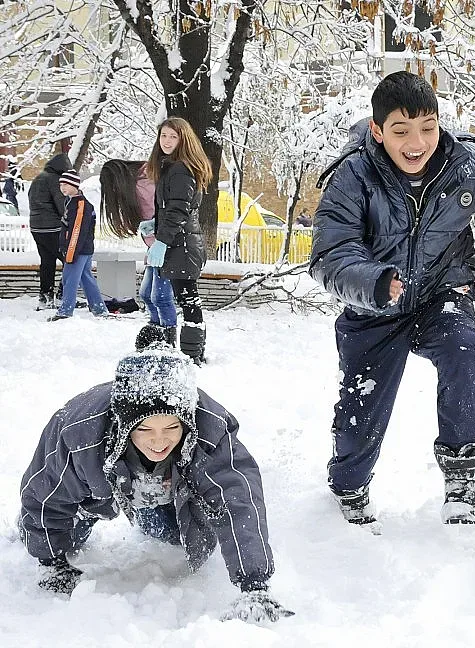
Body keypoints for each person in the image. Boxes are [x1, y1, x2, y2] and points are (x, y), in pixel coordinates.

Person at [310, 71, 475, 527]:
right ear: (377, 130)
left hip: (442, 292)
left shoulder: (470, 167)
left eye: (428, 127)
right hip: (375, 304)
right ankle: (349, 485)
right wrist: (373, 281)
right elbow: (330, 252)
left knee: (464, 350)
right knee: (363, 402)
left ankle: (463, 476)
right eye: (401, 131)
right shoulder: (354, 176)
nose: (417, 142)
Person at [18, 343, 293, 623]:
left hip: (172, 487)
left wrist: (254, 585)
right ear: (126, 426)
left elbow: (237, 499)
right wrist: (51, 561)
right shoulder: (80, 434)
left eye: (172, 428)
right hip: (97, 493)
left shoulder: (210, 431)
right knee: (61, 536)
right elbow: (45, 494)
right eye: (145, 429)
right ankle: (74, 523)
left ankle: (152, 506)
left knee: (182, 539)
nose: (159, 441)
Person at [145, 117, 212, 364]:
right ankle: (184, 352)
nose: (167, 141)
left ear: (183, 139)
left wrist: (161, 240)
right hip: (179, 241)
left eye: (173, 136)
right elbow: (171, 208)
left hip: (181, 244)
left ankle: (192, 356)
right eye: (164, 135)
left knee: (188, 300)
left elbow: (179, 210)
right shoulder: (171, 166)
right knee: (185, 299)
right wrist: (155, 223)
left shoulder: (180, 169)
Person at [100, 159, 178, 349]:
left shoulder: (144, 184)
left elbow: (164, 213)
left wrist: (154, 232)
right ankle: (156, 332)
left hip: (166, 246)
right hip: (155, 248)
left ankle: (168, 340)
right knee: (146, 294)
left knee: (161, 297)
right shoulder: (141, 181)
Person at [47, 171, 109, 321]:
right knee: (86, 278)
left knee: (69, 279)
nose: (63, 188)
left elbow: (77, 230)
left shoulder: (81, 204)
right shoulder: (71, 201)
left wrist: (71, 252)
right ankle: (99, 309)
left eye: (66, 184)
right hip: (79, 248)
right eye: (61, 184)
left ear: (75, 185)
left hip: (78, 249)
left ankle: (65, 311)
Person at [27, 152, 72, 309]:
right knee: (70, 260)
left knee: (47, 262)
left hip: (36, 228)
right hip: (52, 229)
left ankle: (45, 297)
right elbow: (62, 206)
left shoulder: (38, 178)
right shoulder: (55, 181)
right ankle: (63, 296)